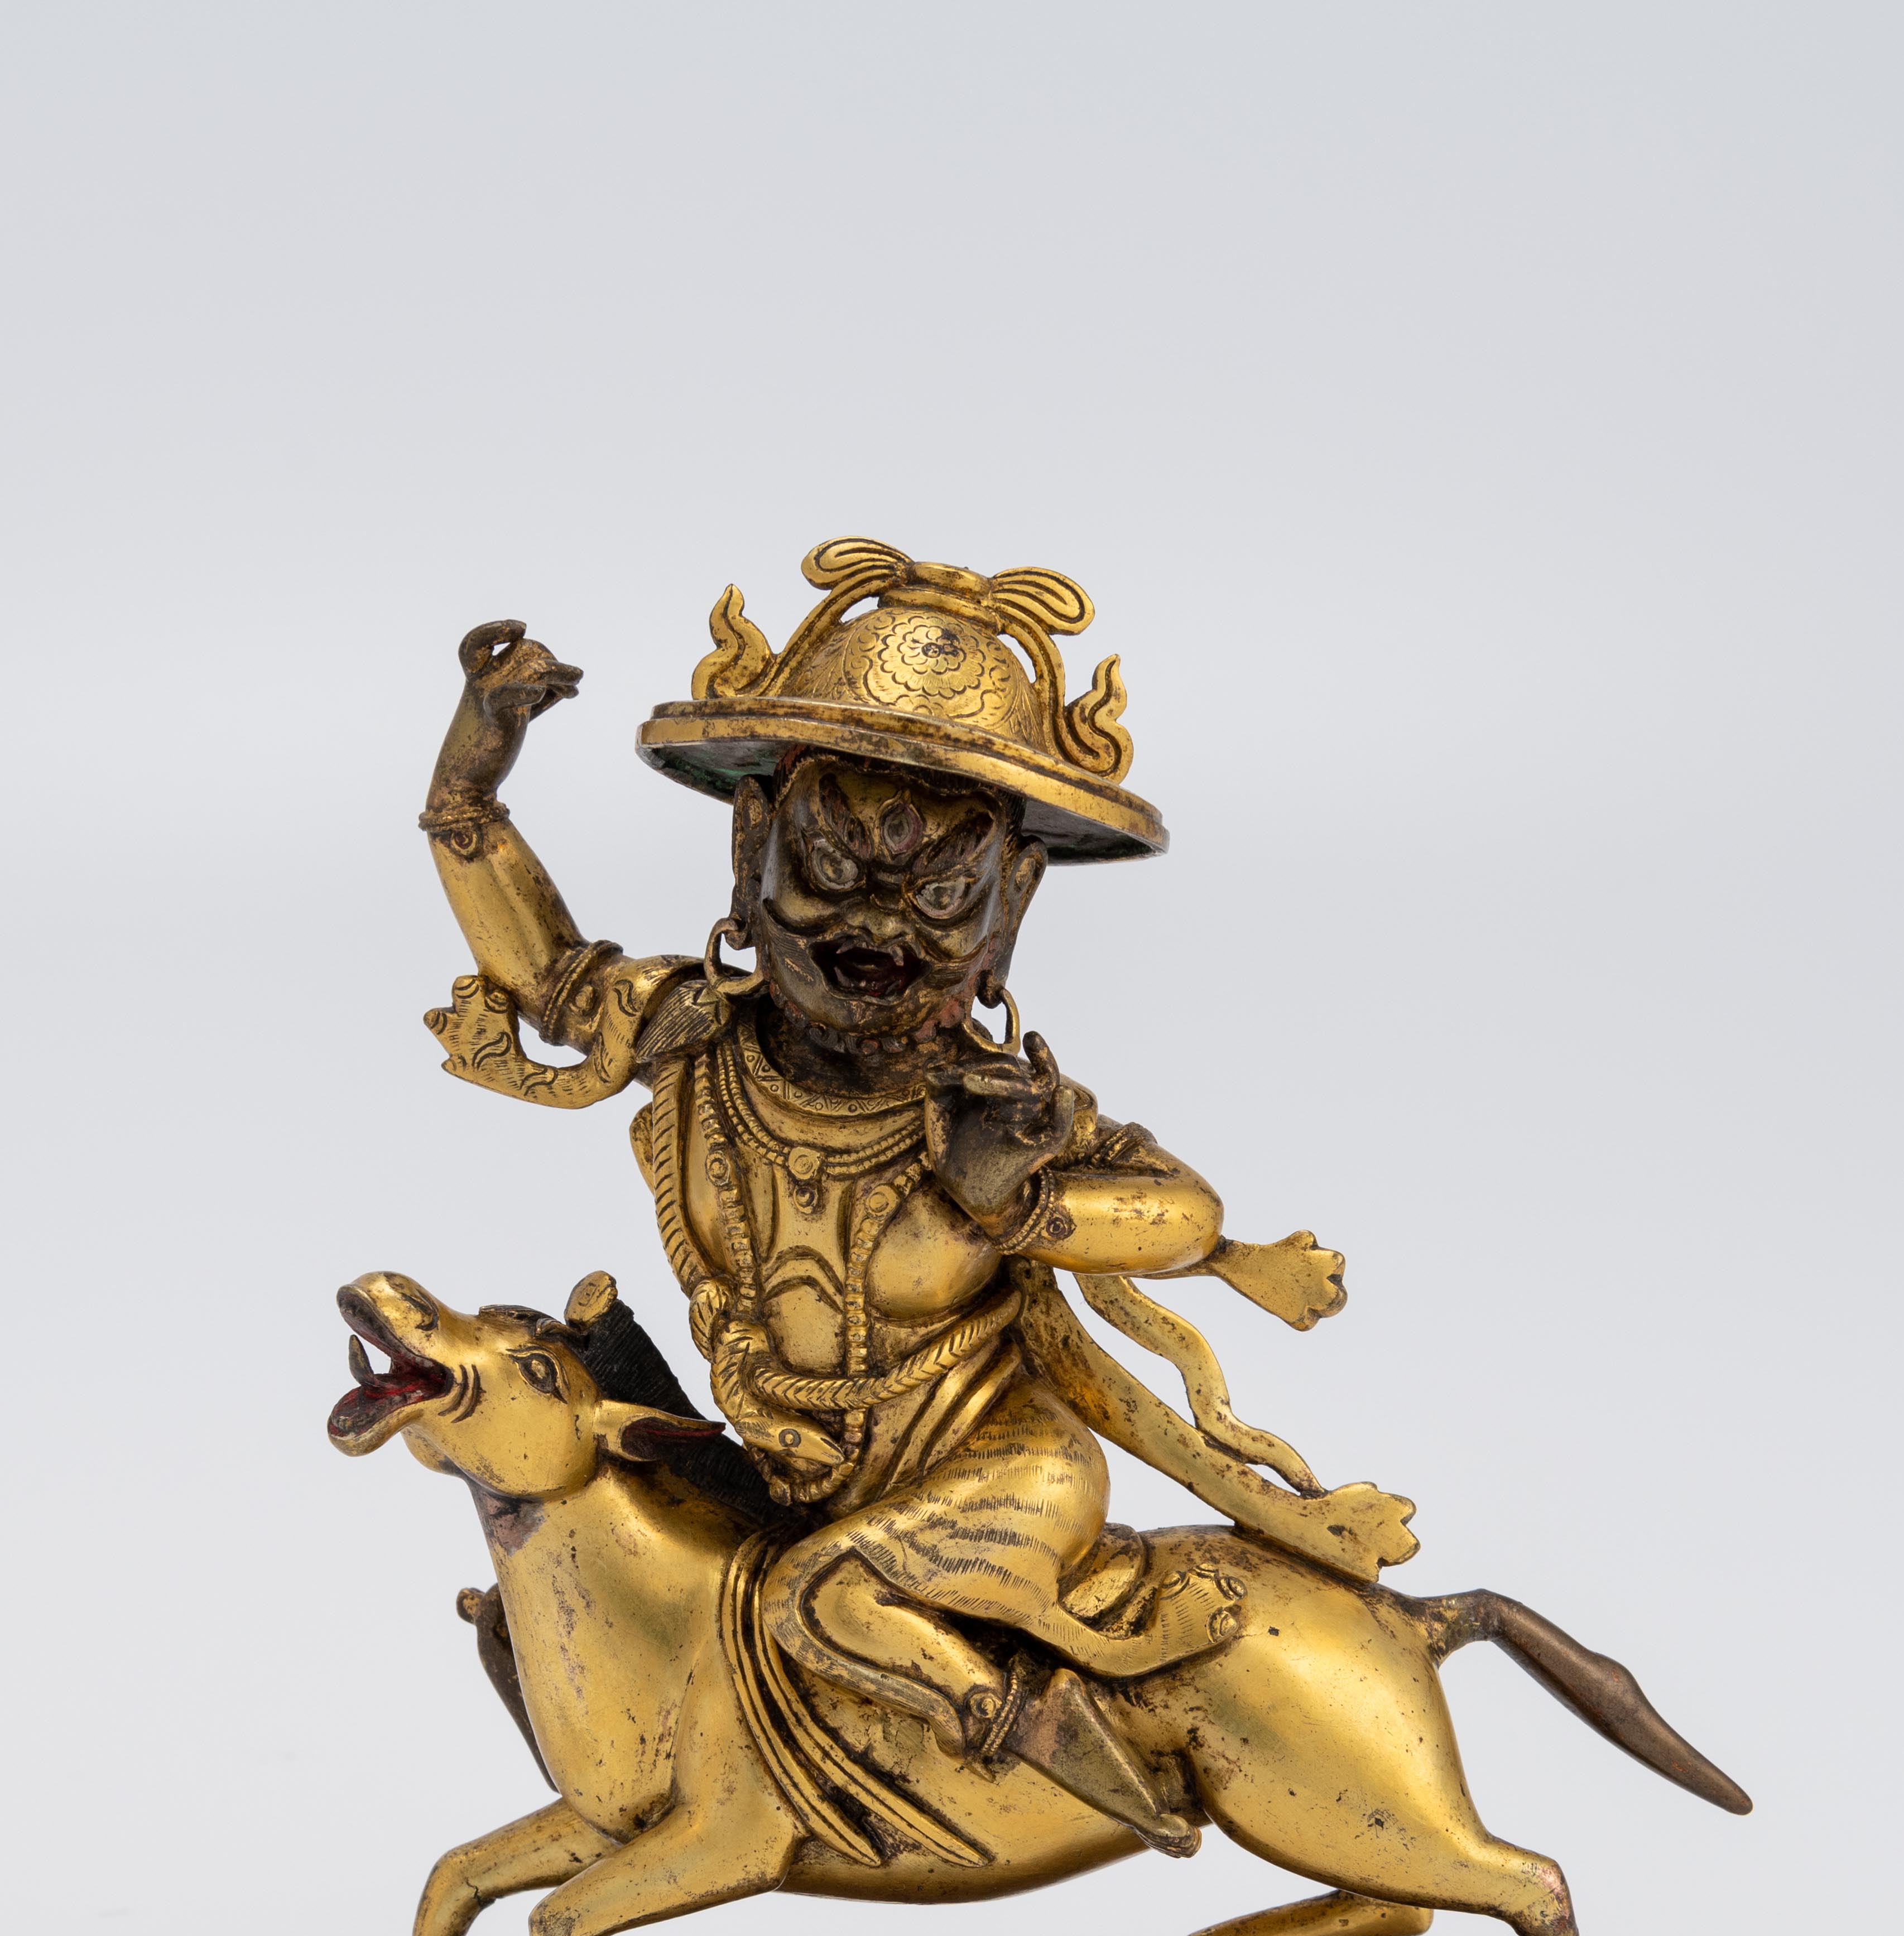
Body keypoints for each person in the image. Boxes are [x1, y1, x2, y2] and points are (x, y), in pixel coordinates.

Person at [419, 541, 1410, 1853]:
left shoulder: (988, 1111)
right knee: (561, 1585)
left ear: (1010, 907)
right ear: (751, 842)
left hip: (997, 1475)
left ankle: (1090, 1762)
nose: (876, 925)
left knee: (815, 1600)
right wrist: (468, 784)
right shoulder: (692, 1035)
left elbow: (1179, 1212)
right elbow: (545, 973)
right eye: (830, 869)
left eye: (939, 893)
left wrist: (1017, 1205)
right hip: (790, 1470)